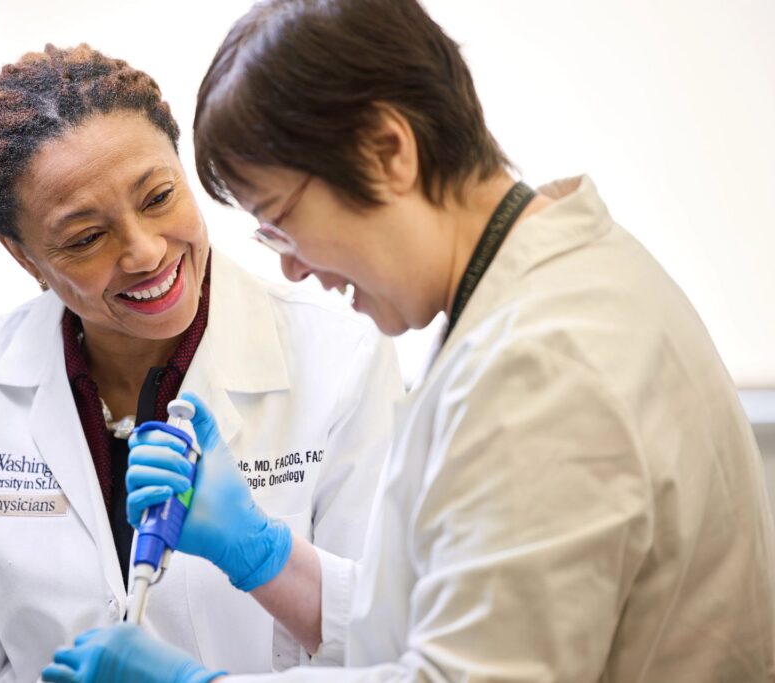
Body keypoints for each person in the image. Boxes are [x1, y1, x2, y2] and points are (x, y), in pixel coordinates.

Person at [42, 1, 775, 681]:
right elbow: (466, 617)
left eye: (281, 219)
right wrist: (265, 555)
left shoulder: (546, 361)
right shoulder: (537, 289)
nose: (292, 264)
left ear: (388, 150)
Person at [0, 43, 403, 682]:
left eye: (158, 197)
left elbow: (391, 652)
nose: (146, 252)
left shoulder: (340, 361)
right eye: (86, 238)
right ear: (24, 259)